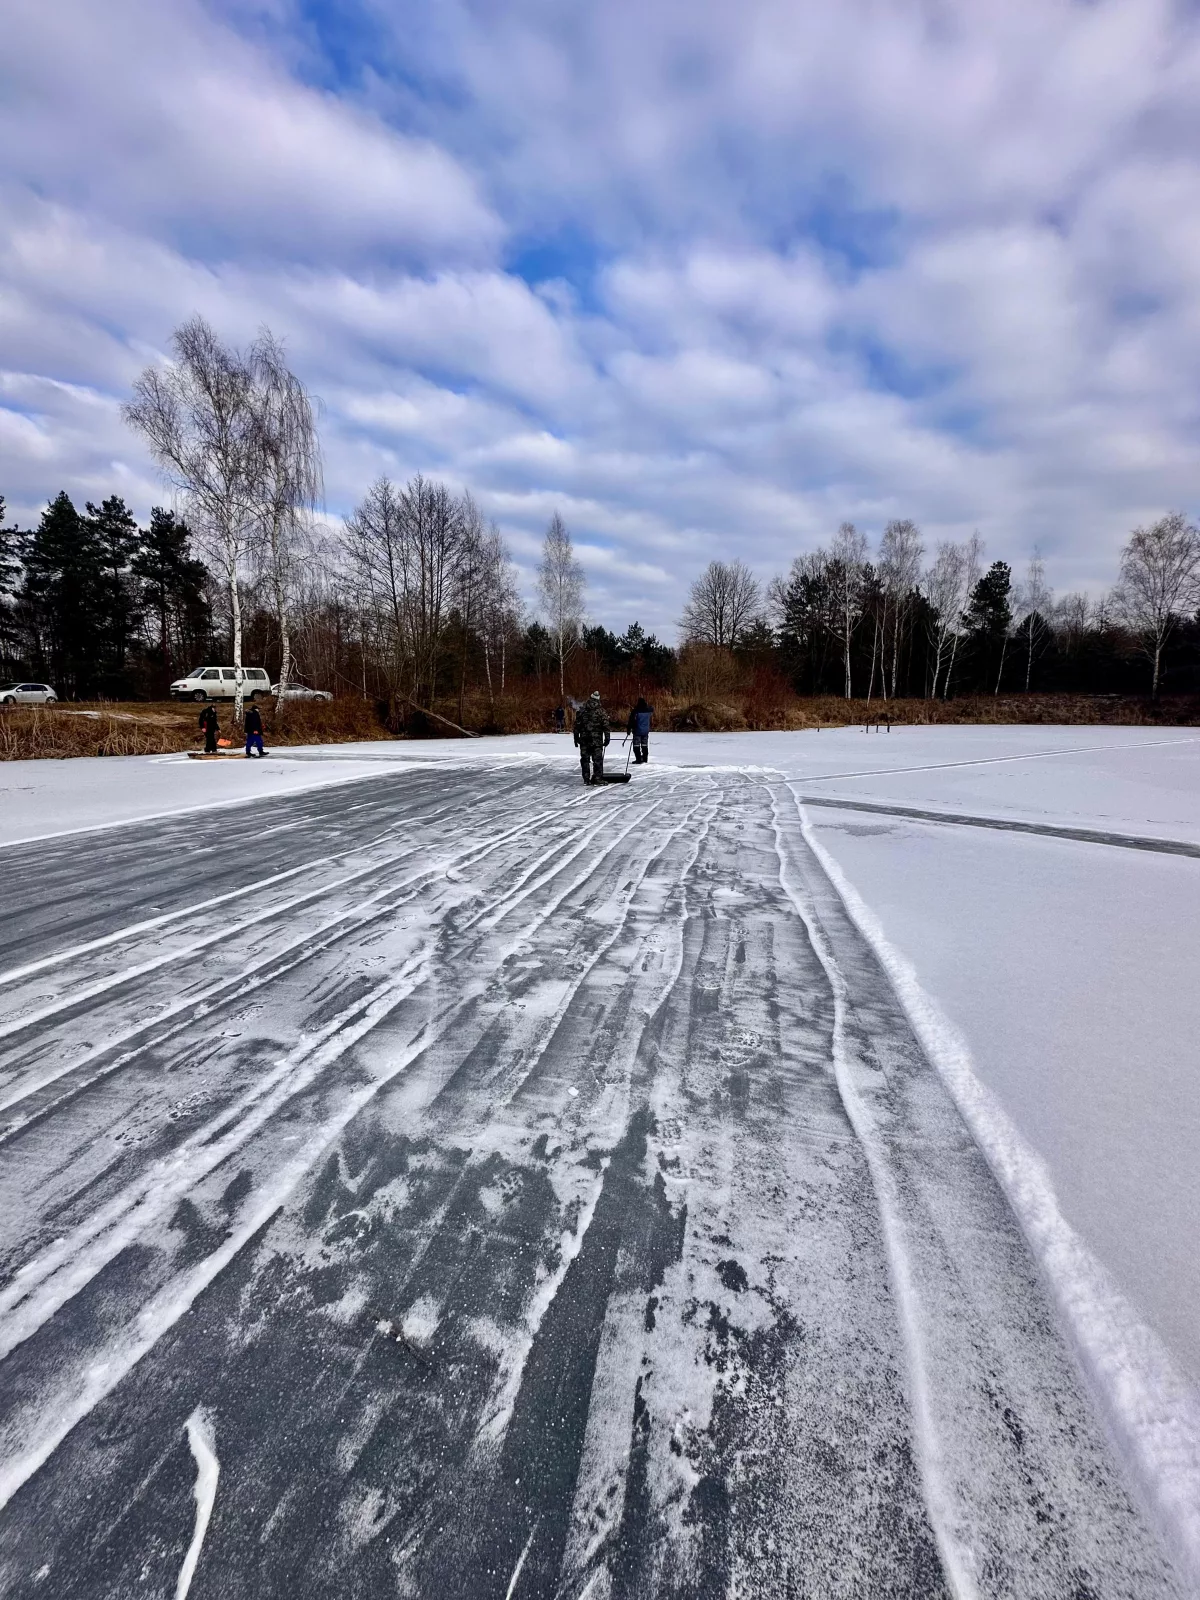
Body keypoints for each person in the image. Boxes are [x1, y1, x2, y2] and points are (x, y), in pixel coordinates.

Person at [573, 689, 610, 784]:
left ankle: (586, 779)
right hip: (596, 740)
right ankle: (597, 778)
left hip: (584, 740)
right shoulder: (601, 711)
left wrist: (576, 738)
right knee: (597, 760)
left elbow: (577, 726)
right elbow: (606, 726)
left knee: (585, 760)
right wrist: (607, 738)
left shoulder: (582, 710)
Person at [627, 696, 654, 764]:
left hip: (637, 731)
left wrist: (629, 729)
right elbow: (652, 709)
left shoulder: (635, 711)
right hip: (645, 731)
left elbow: (631, 721)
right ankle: (645, 759)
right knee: (644, 745)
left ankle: (638, 759)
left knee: (636, 745)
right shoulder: (648, 710)